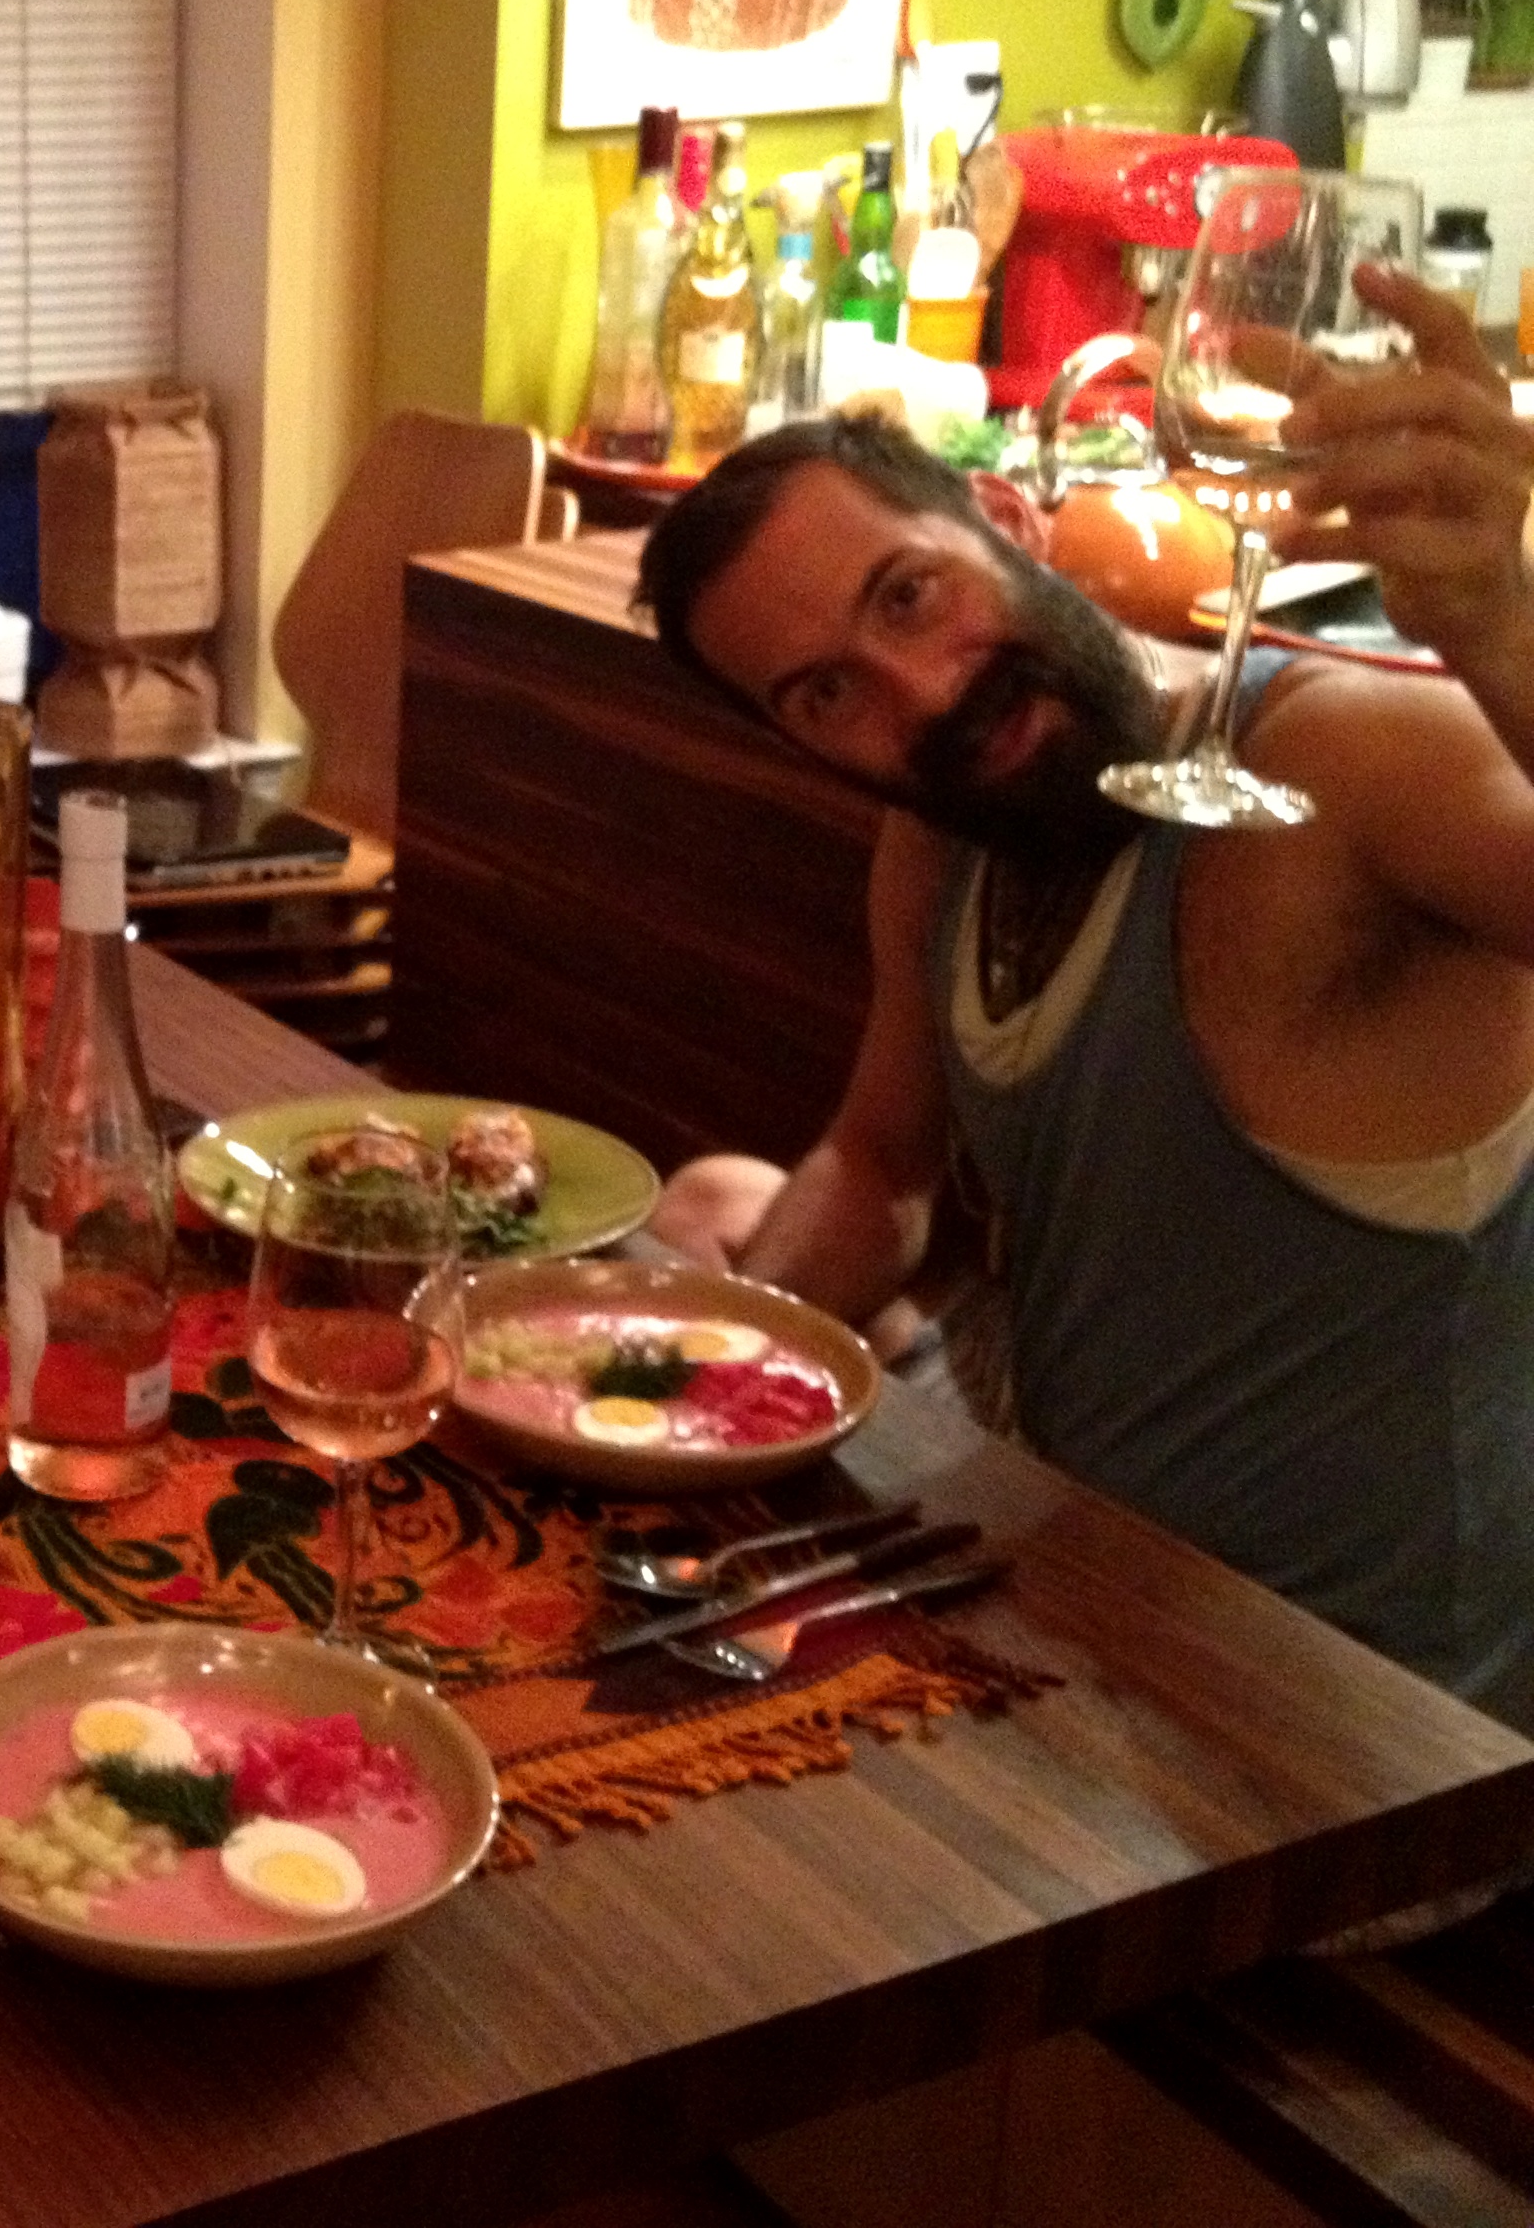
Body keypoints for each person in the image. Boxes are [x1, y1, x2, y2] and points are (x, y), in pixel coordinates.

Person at [631, 265, 1534, 1733]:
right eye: (828, 693)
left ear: (1008, 516)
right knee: (709, 1213)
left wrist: (1502, 627)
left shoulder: (1347, 766)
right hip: (1069, 1581)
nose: (924, 694)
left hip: (1356, 1730)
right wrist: (675, 1416)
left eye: (911, 595)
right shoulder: (941, 840)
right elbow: (879, 1161)